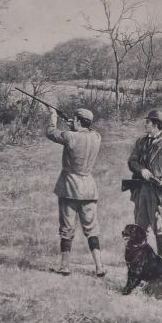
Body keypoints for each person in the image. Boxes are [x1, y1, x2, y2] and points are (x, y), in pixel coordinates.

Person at [45, 107, 105, 277]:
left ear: (78, 121)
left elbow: (51, 132)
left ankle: (65, 266)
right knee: (92, 229)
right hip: (89, 189)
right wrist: (75, 125)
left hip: (70, 188)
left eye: (75, 119)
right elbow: (87, 132)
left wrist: (53, 116)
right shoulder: (97, 137)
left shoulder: (70, 136)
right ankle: (99, 267)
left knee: (67, 228)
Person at [127, 109, 162, 256]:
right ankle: (139, 259)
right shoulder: (140, 141)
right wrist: (141, 170)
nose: (146, 124)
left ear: (156, 124)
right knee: (140, 225)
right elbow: (132, 161)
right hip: (142, 190)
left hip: (159, 192)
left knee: (160, 226)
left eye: (148, 122)